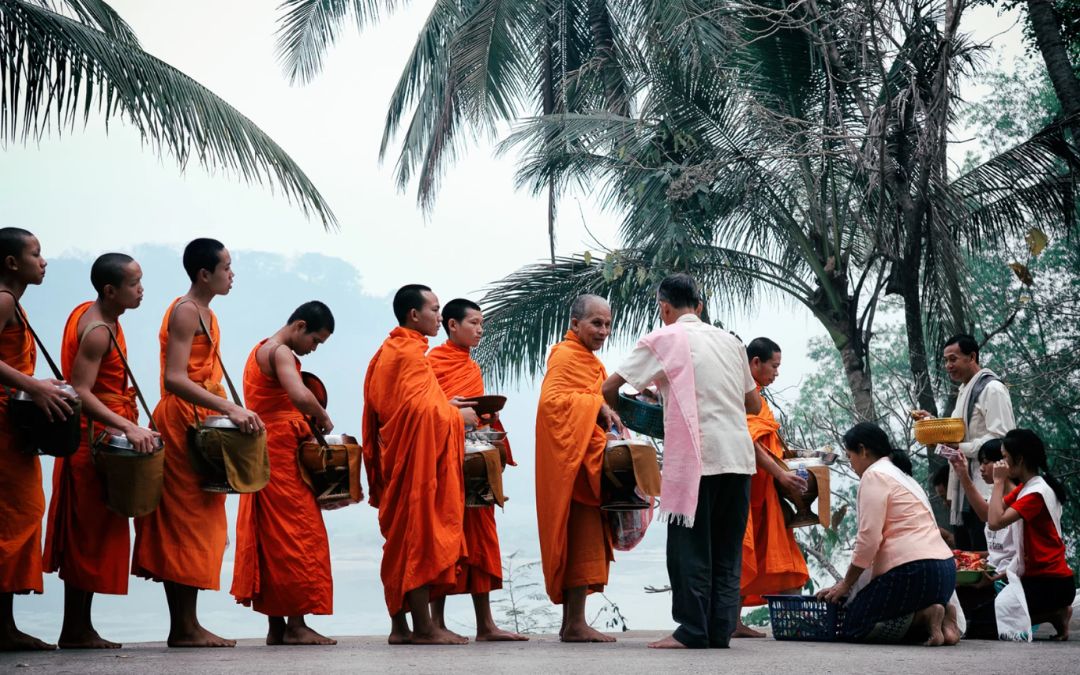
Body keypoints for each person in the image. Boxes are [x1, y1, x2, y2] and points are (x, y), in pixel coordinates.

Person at [602, 275, 760, 649]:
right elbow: (752, 404)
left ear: (665, 307)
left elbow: (609, 388)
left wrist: (635, 411)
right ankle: (719, 630)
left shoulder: (663, 338)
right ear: (700, 307)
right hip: (738, 456)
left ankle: (691, 630)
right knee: (726, 548)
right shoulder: (731, 341)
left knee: (689, 548)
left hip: (696, 459)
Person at [132, 238, 263, 648]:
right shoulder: (186, 311)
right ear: (204, 274)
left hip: (202, 421)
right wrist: (231, 407)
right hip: (179, 420)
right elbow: (174, 378)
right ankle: (184, 628)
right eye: (226, 267)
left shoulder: (207, 312)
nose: (231, 274)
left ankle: (188, 624)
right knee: (183, 521)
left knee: (203, 518)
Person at [43, 253, 158, 649]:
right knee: (87, 535)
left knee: (90, 533)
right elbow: (80, 391)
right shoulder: (96, 330)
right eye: (134, 284)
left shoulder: (94, 314)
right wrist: (126, 424)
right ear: (111, 291)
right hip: (92, 439)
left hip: (98, 433)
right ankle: (75, 629)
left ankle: (79, 626)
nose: (141, 290)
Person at [362, 285, 476, 645]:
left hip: (402, 457)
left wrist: (449, 406)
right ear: (414, 315)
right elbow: (418, 413)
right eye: (434, 309)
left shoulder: (393, 350)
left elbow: (416, 405)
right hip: (413, 463)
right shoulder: (408, 353)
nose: (439, 317)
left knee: (402, 541)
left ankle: (401, 627)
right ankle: (424, 628)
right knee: (417, 538)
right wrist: (460, 419)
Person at [230, 301, 336, 646]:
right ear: (299, 326)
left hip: (262, 452)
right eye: (316, 341)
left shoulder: (258, 350)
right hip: (281, 454)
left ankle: (278, 627)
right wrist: (321, 415)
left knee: (273, 537)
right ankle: (297, 624)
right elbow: (298, 394)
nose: (314, 349)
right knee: (298, 534)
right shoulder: (281, 353)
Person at [426, 298, 526, 642]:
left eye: (482, 324)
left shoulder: (471, 367)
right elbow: (429, 412)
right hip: (446, 460)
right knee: (446, 540)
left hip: (477, 458)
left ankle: (486, 624)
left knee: (482, 539)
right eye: (473, 323)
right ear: (452, 325)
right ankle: (435, 623)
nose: (480, 329)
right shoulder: (432, 364)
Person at [0, 228, 75, 651]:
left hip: (12, 422)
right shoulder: (5, 298)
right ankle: (3, 628)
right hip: (3, 425)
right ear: (12, 263)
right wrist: (34, 385)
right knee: (14, 515)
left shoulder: (14, 303)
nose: (43, 261)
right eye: (36, 254)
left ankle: (6, 624)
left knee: (19, 513)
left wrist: (37, 384)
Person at [818, 422, 960, 646]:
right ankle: (943, 623)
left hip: (914, 572)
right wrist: (847, 585)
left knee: (855, 626)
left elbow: (869, 541)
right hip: (944, 573)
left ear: (863, 450)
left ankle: (925, 617)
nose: (852, 465)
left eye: (850, 455)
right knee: (864, 611)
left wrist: (846, 584)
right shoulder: (904, 477)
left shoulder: (874, 475)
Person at [537, 294, 621, 643]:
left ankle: (573, 621)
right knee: (579, 538)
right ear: (575, 324)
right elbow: (552, 404)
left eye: (607, 325)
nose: (603, 331)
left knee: (586, 539)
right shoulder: (566, 357)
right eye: (596, 323)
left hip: (586, 456)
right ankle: (574, 623)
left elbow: (595, 398)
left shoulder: (588, 361)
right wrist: (595, 406)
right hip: (571, 465)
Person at [732, 337, 808, 638]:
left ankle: (796, 622)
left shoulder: (759, 398)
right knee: (745, 549)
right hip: (748, 487)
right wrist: (780, 473)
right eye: (773, 366)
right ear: (755, 363)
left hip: (765, 490)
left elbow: (764, 441)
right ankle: (733, 621)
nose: (776, 373)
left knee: (777, 551)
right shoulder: (743, 395)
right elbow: (746, 441)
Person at [914, 334, 1014, 550]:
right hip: (963, 496)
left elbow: (1002, 440)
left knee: (986, 561)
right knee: (968, 562)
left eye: (953, 359)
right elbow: (960, 432)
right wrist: (933, 425)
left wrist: (960, 448)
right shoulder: (964, 390)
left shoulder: (992, 389)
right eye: (946, 360)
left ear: (972, 357)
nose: (948, 366)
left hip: (987, 491)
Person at [987, 429, 1073, 641]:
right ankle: (1052, 613)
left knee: (989, 624)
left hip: (1051, 583)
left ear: (1020, 459)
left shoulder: (1036, 494)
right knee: (985, 617)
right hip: (1039, 580)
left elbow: (995, 522)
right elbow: (991, 513)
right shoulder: (1027, 487)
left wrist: (998, 482)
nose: (1002, 462)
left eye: (1005, 457)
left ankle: (1055, 613)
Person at [949, 439, 1017, 639]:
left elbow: (1019, 554)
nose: (982, 468)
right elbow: (987, 520)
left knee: (977, 625)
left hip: (1006, 580)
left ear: (1003, 463)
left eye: (986, 462)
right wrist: (962, 558)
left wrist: (995, 577)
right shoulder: (996, 500)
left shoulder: (1021, 500)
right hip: (992, 575)